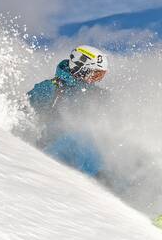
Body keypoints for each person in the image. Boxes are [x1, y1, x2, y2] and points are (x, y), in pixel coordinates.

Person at [27, 45, 109, 176]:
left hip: (86, 157)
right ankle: (100, 179)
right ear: (81, 69)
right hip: (52, 149)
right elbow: (24, 114)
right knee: (79, 138)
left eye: (100, 76)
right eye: (95, 74)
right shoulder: (50, 88)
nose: (96, 80)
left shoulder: (97, 95)